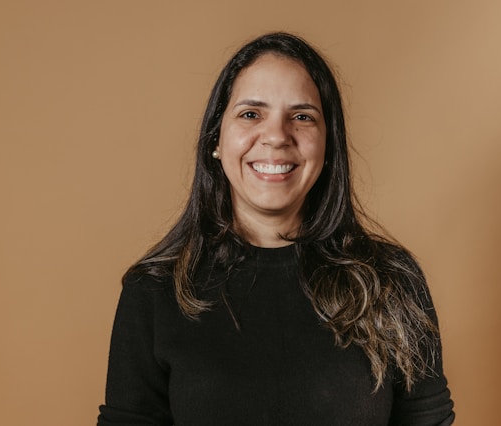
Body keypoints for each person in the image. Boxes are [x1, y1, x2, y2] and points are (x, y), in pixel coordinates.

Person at [97, 32, 455, 425]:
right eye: (251, 114)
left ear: (328, 144)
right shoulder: (153, 291)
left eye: (302, 117)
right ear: (216, 139)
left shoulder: (392, 282)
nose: (276, 136)